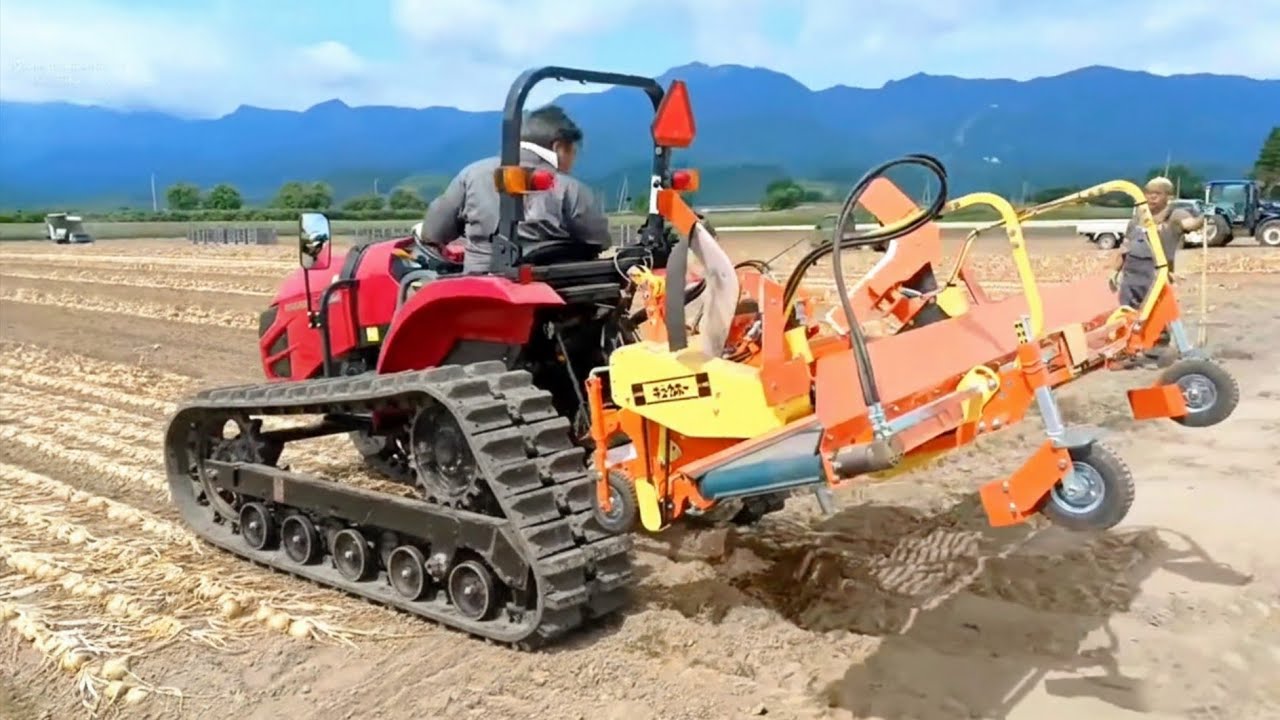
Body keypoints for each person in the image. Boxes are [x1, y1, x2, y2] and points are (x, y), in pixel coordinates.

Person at [419, 105, 612, 274]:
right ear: (558, 147)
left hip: (481, 285)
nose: (573, 159)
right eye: (573, 151)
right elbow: (599, 240)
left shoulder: (472, 175)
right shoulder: (571, 188)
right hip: (553, 287)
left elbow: (433, 232)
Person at [1112, 175, 1203, 366]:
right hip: (1131, 272)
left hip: (1156, 273)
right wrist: (1114, 271)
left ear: (1168, 197)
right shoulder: (1138, 218)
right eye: (1149, 193)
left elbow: (1191, 224)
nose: (1152, 197)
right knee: (1128, 312)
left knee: (1156, 312)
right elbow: (1125, 246)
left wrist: (1205, 216)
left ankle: (1156, 351)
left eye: (1157, 194)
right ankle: (1128, 350)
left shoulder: (1175, 215)